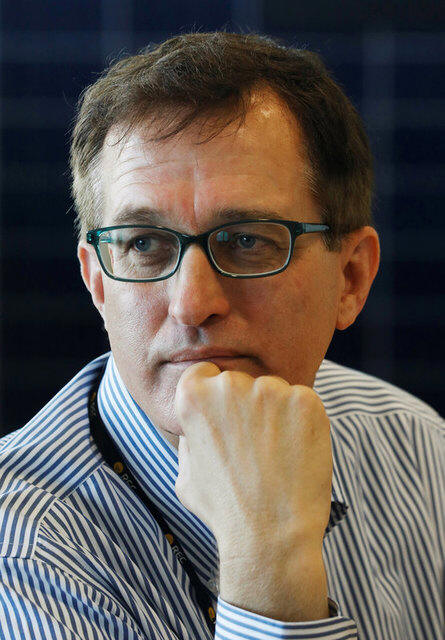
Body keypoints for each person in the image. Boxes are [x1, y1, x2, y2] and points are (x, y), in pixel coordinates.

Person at [0, 31, 443, 640]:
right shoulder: (23, 552)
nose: (192, 304)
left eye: (248, 240)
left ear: (350, 278)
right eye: (144, 244)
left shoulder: (415, 445)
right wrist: (268, 554)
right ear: (98, 283)